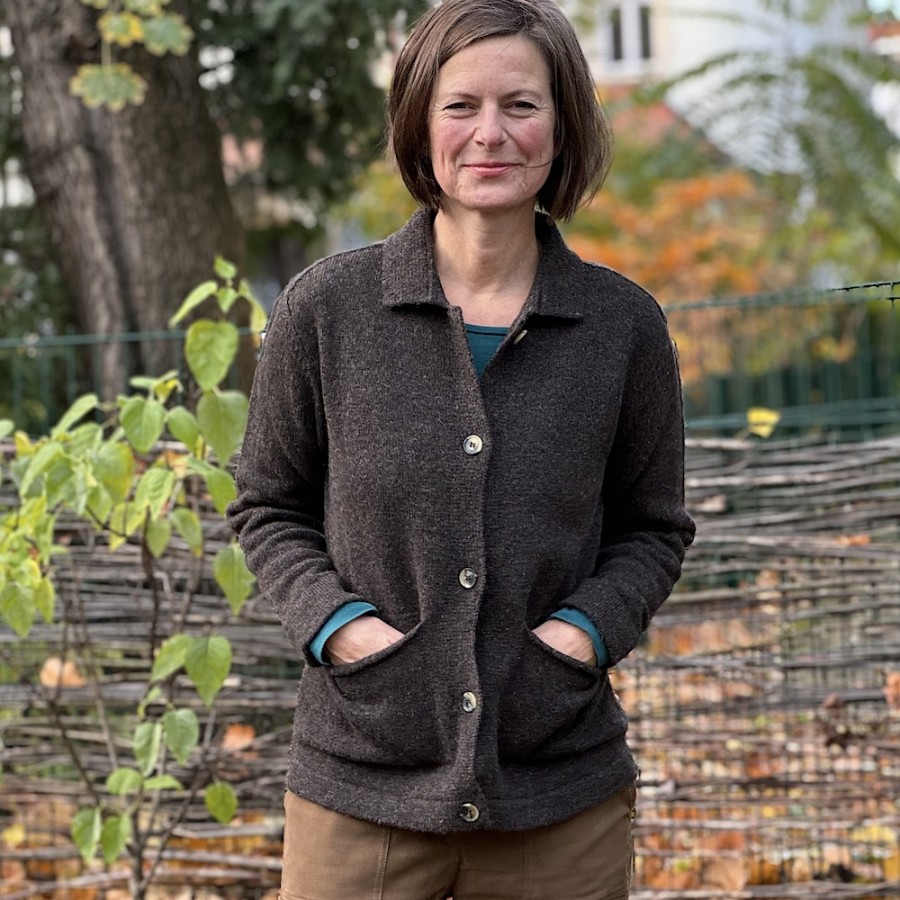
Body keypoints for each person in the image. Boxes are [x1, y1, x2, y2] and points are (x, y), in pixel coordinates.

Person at [227, 0, 695, 897]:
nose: (491, 134)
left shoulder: (622, 327)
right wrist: (341, 632)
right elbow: (267, 507)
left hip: (559, 793)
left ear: (563, 127)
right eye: (460, 106)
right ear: (418, 122)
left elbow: (654, 529)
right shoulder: (327, 311)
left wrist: (581, 636)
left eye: (522, 105)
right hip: (360, 785)